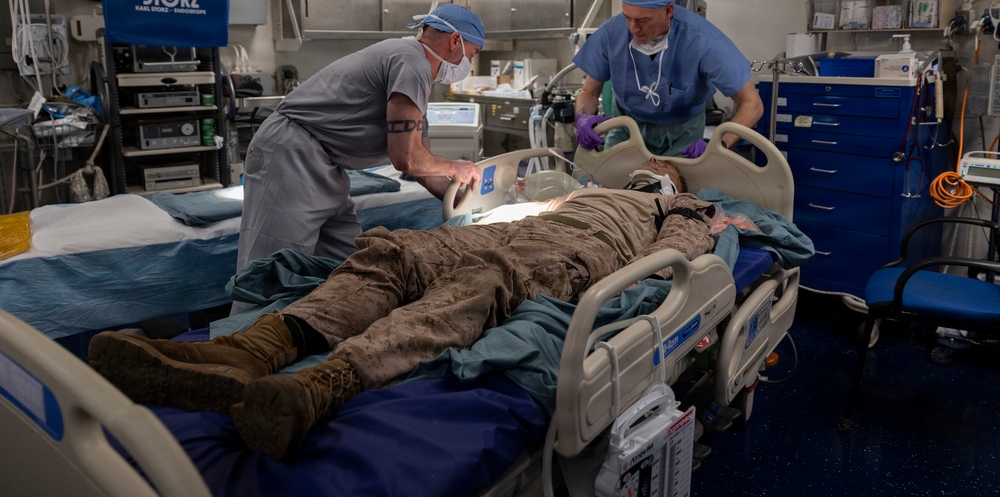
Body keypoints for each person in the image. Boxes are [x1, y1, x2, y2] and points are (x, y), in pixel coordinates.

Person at [89, 159, 715, 460]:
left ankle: (321, 386)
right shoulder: (586, 185)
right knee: (398, 250)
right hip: (514, 225)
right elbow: (526, 206)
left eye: (661, 171)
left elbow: (674, 259)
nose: (650, 170)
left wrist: (692, 221)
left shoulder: (675, 207)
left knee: (485, 280)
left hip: (583, 249)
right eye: (646, 166)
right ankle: (249, 351)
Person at [237, 4, 486, 270]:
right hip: (290, 153)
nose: (467, 65)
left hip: (324, 163)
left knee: (345, 266)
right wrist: (456, 166)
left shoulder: (413, 70)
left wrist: (462, 201)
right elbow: (408, 159)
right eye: (472, 54)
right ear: (455, 40)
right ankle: (257, 313)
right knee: (272, 270)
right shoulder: (411, 61)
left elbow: (420, 166)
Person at [573, 0, 764, 158]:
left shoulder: (703, 41)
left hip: (683, 136)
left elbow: (752, 104)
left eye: (643, 20)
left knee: (677, 187)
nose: (633, 28)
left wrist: (719, 144)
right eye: (627, 17)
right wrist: (582, 118)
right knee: (612, 184)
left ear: (668, 10)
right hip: (626, 128)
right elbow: (589, 92)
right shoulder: (611, 34)